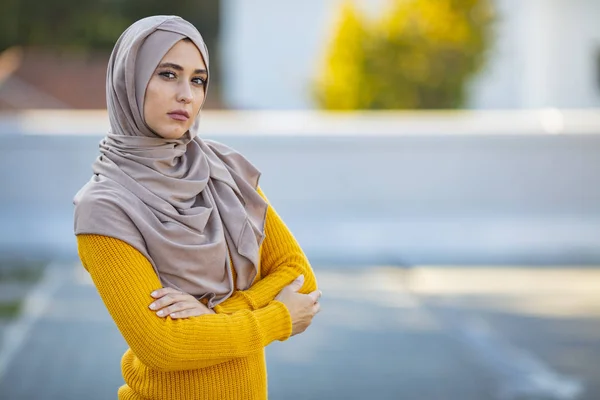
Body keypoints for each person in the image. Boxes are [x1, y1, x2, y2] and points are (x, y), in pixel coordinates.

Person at [73, 15, 321, 400]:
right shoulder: (104, 208)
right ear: (130, 80)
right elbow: (165, 346)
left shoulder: (224, 172)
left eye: (197, 79)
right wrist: (277, 317)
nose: (186, 94)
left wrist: (216, 315)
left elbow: (299, 277)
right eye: (168, 74)